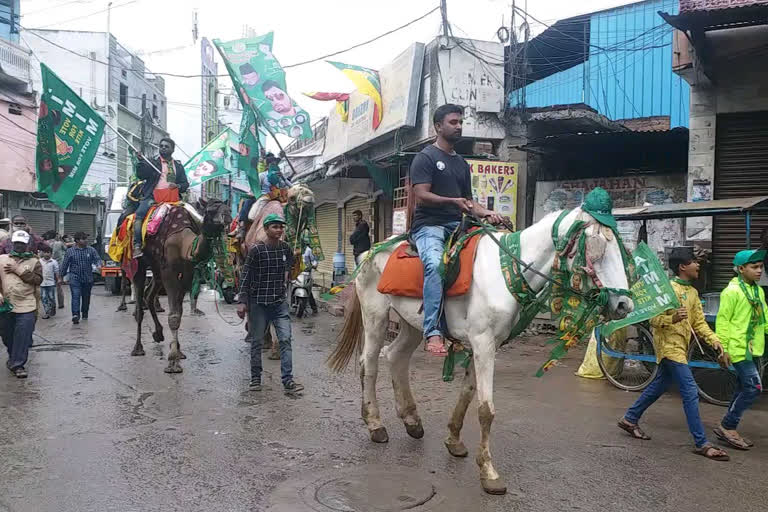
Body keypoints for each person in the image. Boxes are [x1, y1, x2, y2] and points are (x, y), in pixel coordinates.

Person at [617, 246, 729, 461]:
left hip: (681, 348)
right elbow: (653, 320)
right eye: (694, 261)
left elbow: (699, 323)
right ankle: (701, 443)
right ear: (683, 266)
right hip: (669, 348)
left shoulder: (693, 293)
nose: (698, 265)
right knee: (689, 392)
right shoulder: (666, 290)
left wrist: (714, 340)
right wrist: (672, 318)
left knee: (658, 386)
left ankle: (630, 419)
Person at [409, 103, 502, 356]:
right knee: (436, 265)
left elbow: (469, 202)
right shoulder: (425, 158)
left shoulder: (461, 164)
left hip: (458, 225)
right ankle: (432, 331)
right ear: (438, 127)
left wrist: (487, 213)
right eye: (453, 122)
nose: (458, 126)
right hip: (429, 226)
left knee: (490, 258)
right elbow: (421, 195)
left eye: (460, 122)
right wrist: (453, 202)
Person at [237, 213, 304, 394]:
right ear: (266, 230)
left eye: (281, 227)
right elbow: (246, 276)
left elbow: (290, 264)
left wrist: (289, 271)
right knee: (257, 342)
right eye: (274, 226)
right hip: (258, 303)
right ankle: (256, 378)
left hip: (279, 303)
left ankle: (288, 380)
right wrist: (242, 301)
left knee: (285, 340)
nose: (279, 230)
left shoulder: (285, 249)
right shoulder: (256, 250)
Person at [713, 249, 768, 451]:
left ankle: (726, 427)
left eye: (761, 266)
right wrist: (723, 349)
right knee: (754, 388)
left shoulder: (758, 291)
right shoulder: (732, 291)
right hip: (737, 348)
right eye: (754, 267)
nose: (759, 271)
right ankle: (728, 425)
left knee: (742, 387)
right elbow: (723, 321)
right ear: (741, 268)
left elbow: (764, 318)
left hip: (754, 348)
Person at [132, 137, 189, 258]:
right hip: (153, 198)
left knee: (192, 216)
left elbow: (185, 184)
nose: (163, 148)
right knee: (139, 216)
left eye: (166, 146)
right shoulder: (152, 162)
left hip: (174, 199)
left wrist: (178, 185)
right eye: (161, 146)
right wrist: (141, 161)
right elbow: (141, 175)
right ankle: (137, 245)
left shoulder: (178, 166)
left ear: (172, 149)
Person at [0, 231, 42, 378]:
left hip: (26, 304)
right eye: (16, 243)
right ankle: (13, 357)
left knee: (23, 335)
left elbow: (38, 280)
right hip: (6, 305)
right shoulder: (2, 259)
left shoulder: (34, 262)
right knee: (6, 335)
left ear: (27, 245)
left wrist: (18, 270)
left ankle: (18, 365)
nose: (19, 246)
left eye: (22, 244)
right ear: (12, 243)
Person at [61, 232, 101, 324]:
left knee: (86, 297)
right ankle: (75, 315)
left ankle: (85, 313)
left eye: (86, 239)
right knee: (75, 296)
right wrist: (60, 277)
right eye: (84, 239)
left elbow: (97, 259)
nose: (86, 240)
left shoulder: (91, 250)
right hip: (75, 278)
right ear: (77, 241)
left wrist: (99, 265)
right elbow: (65, 264)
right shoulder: (70, 251)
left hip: (88, 278)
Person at [39, 247, 60, 318]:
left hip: (51, 283)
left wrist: (58, 280)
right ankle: (47, 312)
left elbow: (56, 272)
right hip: (42, 283)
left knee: (51, 297)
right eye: (45, 252)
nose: (46, 254)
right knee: (43, 297)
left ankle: (53, 307)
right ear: (42, 253)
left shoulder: (54, 262)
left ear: (51, 253)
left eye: (48, 252)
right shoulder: (39, 261)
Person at [301, 238, 319, 315]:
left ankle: (314, 308)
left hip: (306, 272)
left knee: (308, 290)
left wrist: (313, 266)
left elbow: (314, 260)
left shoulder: (308, 250)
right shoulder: (294, 249)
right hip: (297, 273)